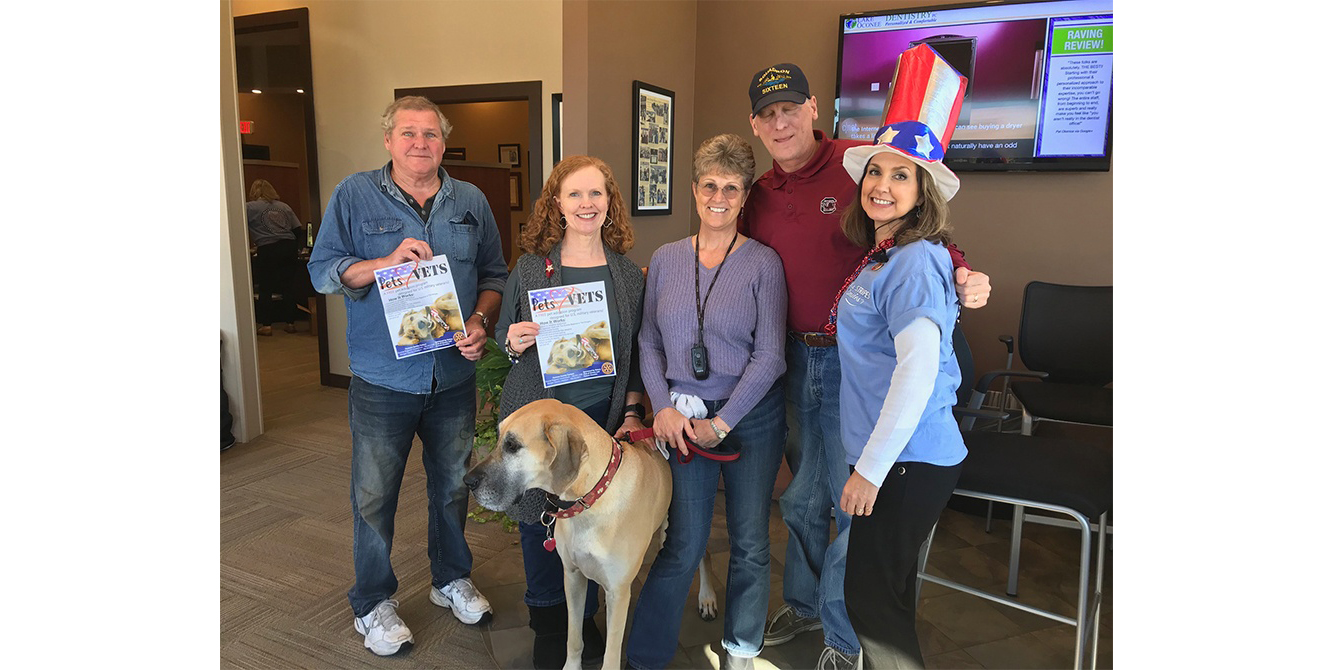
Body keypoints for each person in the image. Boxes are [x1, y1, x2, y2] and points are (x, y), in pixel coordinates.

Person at [738, 63, 991, 670]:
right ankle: (804, 603)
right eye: (768, 114)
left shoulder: (861, 161)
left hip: (858, 371)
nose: (782, 122)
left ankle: (845, 635)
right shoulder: (760, 194)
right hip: (795, 359)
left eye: (791, 108)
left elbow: (922, 234)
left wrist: (961, 272)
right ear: (755, 124)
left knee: (854, 501)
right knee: (803, 499)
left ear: (814, 108)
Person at [307, 96, 508, 656]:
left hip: (453, 378)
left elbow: (494, 273)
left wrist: (480, 320)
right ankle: (373, 603)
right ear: (389, 141)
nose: (421, 143)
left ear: (445, 142)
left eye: (432, 134)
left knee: (450, 488)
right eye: (408, 133)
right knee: (374, 496)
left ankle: (450, 579)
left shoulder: (470, 200)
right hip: (382, 381)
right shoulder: (353, 194)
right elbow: (323, 270)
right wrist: (380, 265)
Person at [626, 134, 787, 670]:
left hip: (750, 419)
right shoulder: (667, 258)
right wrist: (662, 408)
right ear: (694, 191)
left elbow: (770, 356)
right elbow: (648, 339)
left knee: (749, 542)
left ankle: (742, 651)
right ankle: (645, 658)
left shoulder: (764, 264)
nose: (719, 197)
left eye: (732, 188)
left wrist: (724, 421)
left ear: (745, 198)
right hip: (682, 419)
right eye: (710, 185)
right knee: (684, 544)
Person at [495, 155, 647, 669]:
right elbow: (506, 337)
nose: (587, 204)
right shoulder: (532, 268)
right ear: (556, 202)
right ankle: (548, 621)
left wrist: (630, 412)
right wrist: (513, 340)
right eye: (575, 194)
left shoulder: (627, 274)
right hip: (537, 415)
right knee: (540, 516)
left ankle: (590, 619)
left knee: (596, 519)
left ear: (610, 204)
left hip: (599, 420)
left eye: (597, 194)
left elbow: (635, 353)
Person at [835, 115, 968, 669]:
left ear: (923, 193)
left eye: (901, 176)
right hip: (901, 459)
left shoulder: (912, 262)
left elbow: (917, 375)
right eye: (875, 171)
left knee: (872, 608)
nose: (881, 185)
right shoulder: (889, 255)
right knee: (884, 600)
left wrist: (870, 469)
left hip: (905, 461)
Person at [246, 178, 304, 335]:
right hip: (288, 247)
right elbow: (298, 229)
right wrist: (296, 248)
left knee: (266, 287)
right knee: (288, 286)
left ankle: (266, 326)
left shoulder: (249, 207)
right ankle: (290, 323)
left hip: (268, 248)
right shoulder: (284, 206)